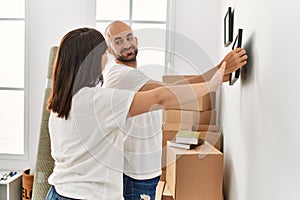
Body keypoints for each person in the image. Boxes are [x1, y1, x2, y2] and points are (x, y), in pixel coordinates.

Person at [45, 27, 226, 200]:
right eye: (103, 52)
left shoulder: (59, 103)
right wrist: (210, 85)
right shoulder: (98, 100)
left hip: (58, 191)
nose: (106, 56)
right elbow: (160, 98)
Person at [103, 21, 247, 200]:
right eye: (118, 41)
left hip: (142, 170)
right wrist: (218, 70)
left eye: (129, 37)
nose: (126, 45)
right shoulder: (120, 74)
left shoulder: (132, 75)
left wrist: (217, 75)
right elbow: (168, 92)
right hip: (134, 173)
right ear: (109, 50)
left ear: (137, 40)